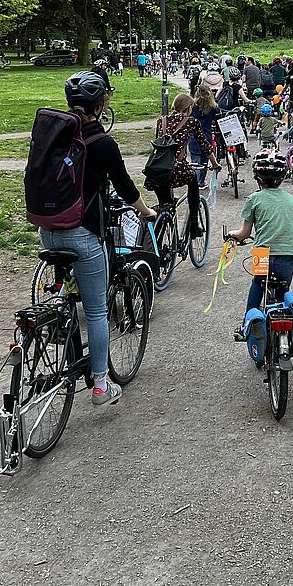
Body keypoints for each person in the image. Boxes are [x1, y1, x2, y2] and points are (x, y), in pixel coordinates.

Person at [39, 72, 157, 407]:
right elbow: (125, 186)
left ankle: (59, 307)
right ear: (100, 103)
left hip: (47, 229)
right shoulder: (102, 143)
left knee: (72, 283)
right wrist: (145, 211)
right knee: (95, 310)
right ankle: (101, 385)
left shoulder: (53, 135)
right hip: (82, 232)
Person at [226, 149, 293, 321]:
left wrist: (232, 235)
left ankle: (249, 322)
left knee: (258, 283)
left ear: (257, 177)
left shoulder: (253, 199)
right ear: (282, 176)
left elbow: (244, 233)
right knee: (283, 290)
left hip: (262, 253)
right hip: (288, 255)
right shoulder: (292, 200)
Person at [153, 93, 220, 238]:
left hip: (156, 169)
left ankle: (159, 234)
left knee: (165, 204)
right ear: (189, 107)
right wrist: (214, 163)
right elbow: (205, 146)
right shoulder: (191, 122)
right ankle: (194, 227)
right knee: (193, 184)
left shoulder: (161, 121)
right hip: (177, 168)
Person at [191, 83, 220, 171]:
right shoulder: (213, 108)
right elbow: (220, 116)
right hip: (207, 137)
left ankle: (197, 182)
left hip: (194, 138)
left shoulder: (192, 107)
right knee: (204, 163)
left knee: (195, 164)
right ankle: (201, 182)